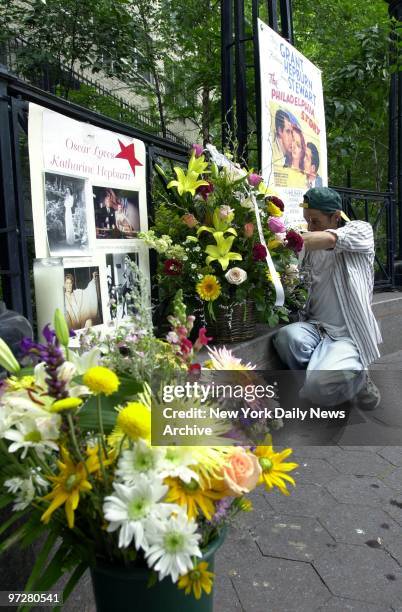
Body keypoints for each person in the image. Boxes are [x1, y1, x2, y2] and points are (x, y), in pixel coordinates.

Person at [273, 187, 382, 410]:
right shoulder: (309, 249)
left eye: (315, 221)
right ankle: (326, 380)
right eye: (307, 221)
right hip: (316, 329)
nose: (310, 227)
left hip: (348, 335)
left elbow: (329, 238)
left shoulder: (361, 231)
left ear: (335, 217)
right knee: (286, 338)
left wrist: (282, 241)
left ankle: (357, 379)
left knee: (316, 386)